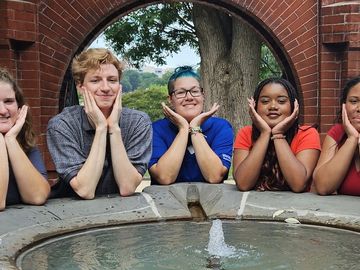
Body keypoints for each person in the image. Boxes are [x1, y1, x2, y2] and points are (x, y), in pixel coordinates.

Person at [47, 48, 152, 199]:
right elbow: (85, 190)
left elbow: (127, 187)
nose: (105, 88)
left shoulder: (138, 122)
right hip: (72, 213)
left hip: (124, 211)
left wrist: (114, 128)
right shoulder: (62, 125)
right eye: (95, 80)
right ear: (80, 86)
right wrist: (101, 128)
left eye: (112, 80)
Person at [148, 66, 233, 185]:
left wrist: (195, 128)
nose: (189, 97)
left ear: (203, 95)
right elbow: (165, 177)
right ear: (170, 99)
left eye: (195, 91)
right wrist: (183, 129)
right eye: (181, 93)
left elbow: (214, 176)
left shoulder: (221, 127)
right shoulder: (155, 129)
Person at [233, 78, 321, 192]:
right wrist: (265, 134)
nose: (273, 106)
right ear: (254, 106)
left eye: (281, 101)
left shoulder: (307, 134)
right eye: (265, 101)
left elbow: (298, 184)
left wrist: (278, 134)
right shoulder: (246, 133)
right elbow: (243, 184)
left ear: (294, 106)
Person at [0, 68, 50, 210]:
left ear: (19, 107)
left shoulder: (24, 143)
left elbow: (37, 196)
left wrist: (10, 140)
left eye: (8, 101)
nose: (3, 110)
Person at [313, 77, 360, 196]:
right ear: (344, 106)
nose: (359, 108)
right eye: (354, 101)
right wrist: (352, 139)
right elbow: (322, 186)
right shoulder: (337, 133)